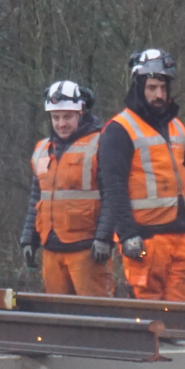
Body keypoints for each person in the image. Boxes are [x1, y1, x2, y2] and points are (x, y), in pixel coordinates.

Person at [98, 48, 185, 302]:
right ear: (139, 87)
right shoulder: (119, 129)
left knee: (184, 314)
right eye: (152, 88)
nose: (159, 94)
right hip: (146, 241)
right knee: (150, 314)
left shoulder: (177, 127)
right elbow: (113, 188)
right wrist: (128, 234)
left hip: (183, 238)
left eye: (163, 87)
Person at [19, 81, 114, 295]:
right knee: (56, 312)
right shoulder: (42, 149)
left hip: (88, 251)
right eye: (56, 117)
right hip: (51, 250)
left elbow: (111, 195)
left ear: (81, 113)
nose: (61, 123)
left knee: (96, 311)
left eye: (67, 117)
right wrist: (29, 238)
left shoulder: (101, 144)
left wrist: (104, 238)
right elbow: (37, 197)